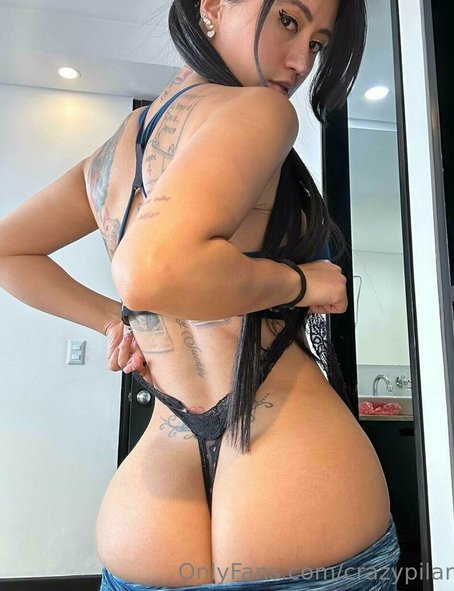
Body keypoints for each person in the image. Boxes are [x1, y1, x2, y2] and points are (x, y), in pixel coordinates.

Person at [0, 0, 401, 588]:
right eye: (289, 21)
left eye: (317, 44)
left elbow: (9, 251)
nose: (300, 61)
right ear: (211, 5)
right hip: (285, 452)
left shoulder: (111, 156)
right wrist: (300, 282)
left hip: (157, 482)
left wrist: (115, 322)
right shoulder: (260, 110)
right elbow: (155, 268)